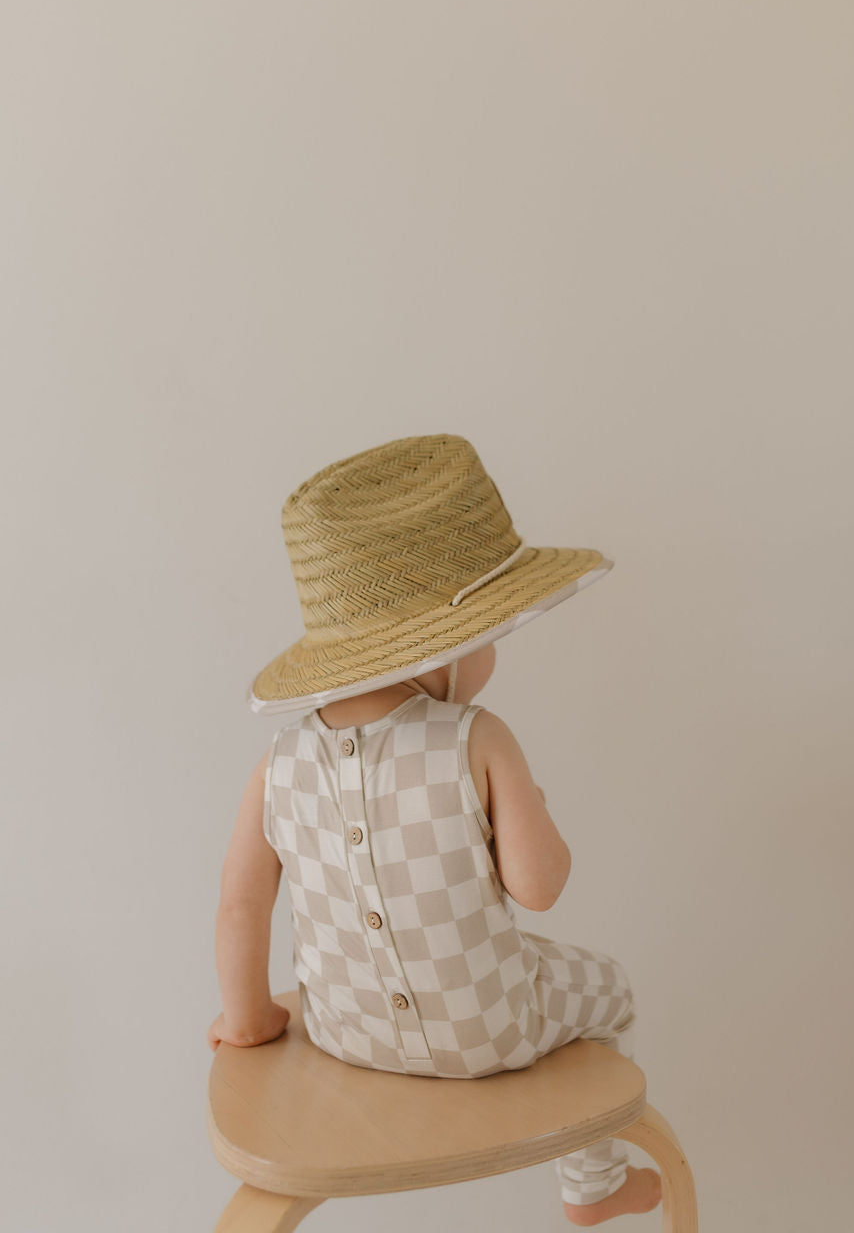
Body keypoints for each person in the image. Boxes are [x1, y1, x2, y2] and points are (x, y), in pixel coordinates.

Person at [207, 434, 662, 1224]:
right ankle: (594, 1184)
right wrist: (533, 808)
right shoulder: (478, 738)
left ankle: (594, 1183)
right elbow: (542, 887)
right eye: (488, 634)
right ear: (441, 653)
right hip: (494, 1033)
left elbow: (240, 908)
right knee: (611, 987)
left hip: (342, 1035)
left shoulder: (276, 767)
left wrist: (249, 1021)